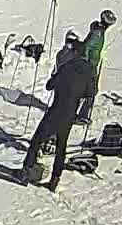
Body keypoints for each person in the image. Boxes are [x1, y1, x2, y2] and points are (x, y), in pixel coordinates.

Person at [25, 38, 97, 190]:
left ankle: (26, 170)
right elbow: (91, 92)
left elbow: (50, 86)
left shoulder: (67, 66)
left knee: (37, 140)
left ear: (75, 53)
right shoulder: (90, 69)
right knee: (61, 147)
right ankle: (54, 180)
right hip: (71, 112)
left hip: (56, 109)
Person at [75, 10, 115, 124]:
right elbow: (88, 47)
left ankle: (77, 113)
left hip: (91, 64)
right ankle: (82, 115)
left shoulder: (99, 31)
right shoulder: (98, 32)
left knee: (86, 90)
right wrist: (87, 63)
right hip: (89, 66)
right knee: (91, 91)